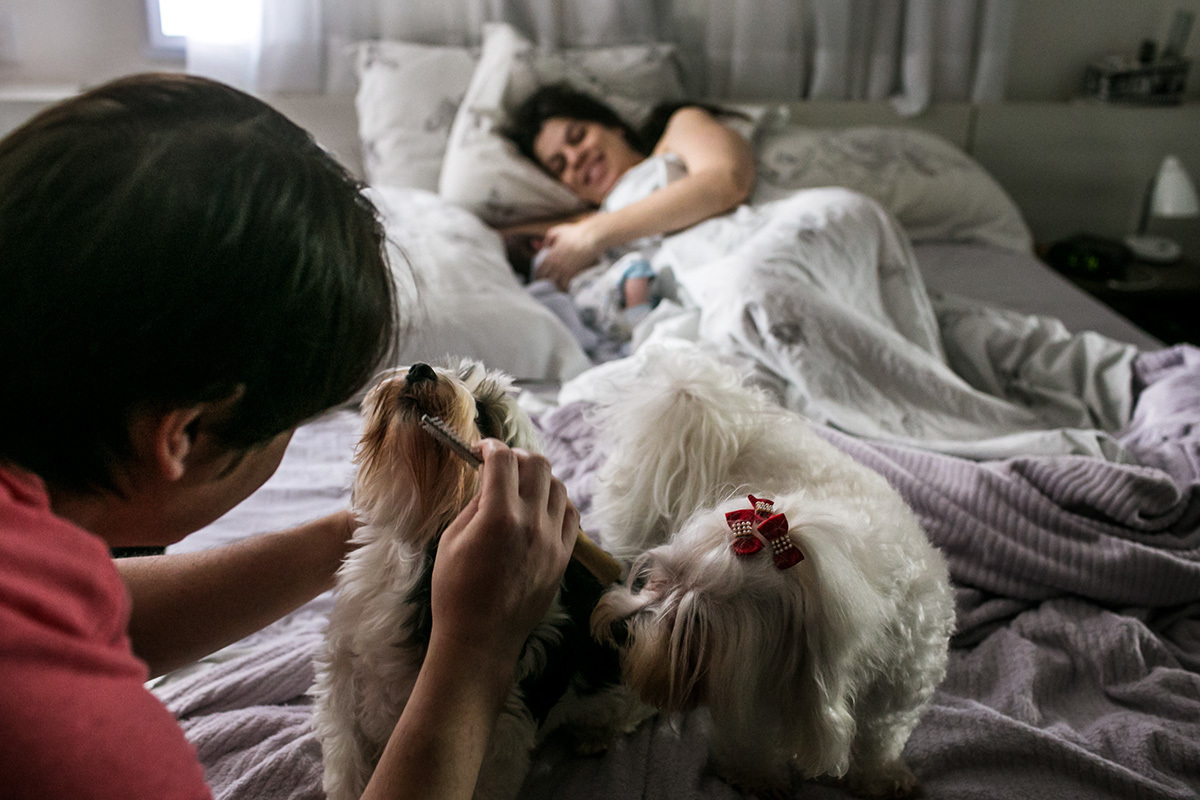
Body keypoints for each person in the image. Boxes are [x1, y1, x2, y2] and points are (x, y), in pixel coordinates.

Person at [0, 73, 578, 800]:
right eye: (294, 419)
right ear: (183, 434)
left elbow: (85, 607)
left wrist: (365, 528)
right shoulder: (95, 755)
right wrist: (476, 650)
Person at [504, 84, 757, 302]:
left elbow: (727, 181)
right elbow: (484, 233)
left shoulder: (678, 130)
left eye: (578, 136)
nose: (575, 157)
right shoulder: (582, 226)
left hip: (748, 266)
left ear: (614, 127)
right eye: (560, 166)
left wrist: (592, 235)